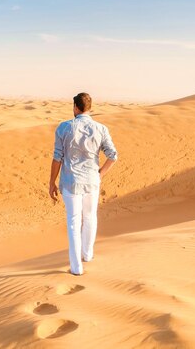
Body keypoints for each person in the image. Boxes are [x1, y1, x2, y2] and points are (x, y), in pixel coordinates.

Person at [48, 92, 118, 276]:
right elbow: (113, 156)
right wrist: (99, 174)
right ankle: (87, 255)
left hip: (71, 182)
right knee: (90, 217)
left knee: (73, 221)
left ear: (75, 107)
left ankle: (76, 267)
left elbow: (57, 158)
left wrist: (51, 182)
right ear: (89, 107)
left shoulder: (64, 128)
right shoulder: (101, 128)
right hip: (92, 181)